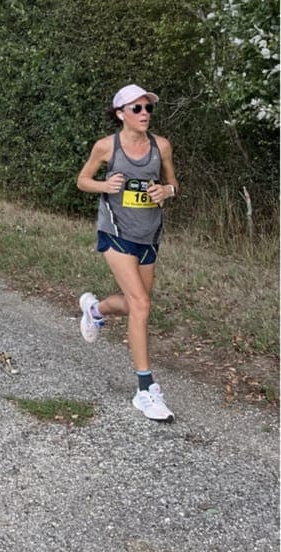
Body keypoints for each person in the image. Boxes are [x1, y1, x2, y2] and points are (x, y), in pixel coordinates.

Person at [76, 83, 179, 423]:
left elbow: (173, 184)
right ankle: (145, 389)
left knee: (136, 303)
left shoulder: (160, 146)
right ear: (121, 113)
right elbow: (83, 180)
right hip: (115, 231)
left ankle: (95, 309)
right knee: (142, 304)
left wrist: (166, 190)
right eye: (137, 109)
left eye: (148, 108)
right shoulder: (107, 147)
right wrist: (105, 186)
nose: (145, 114)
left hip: (149, 234)